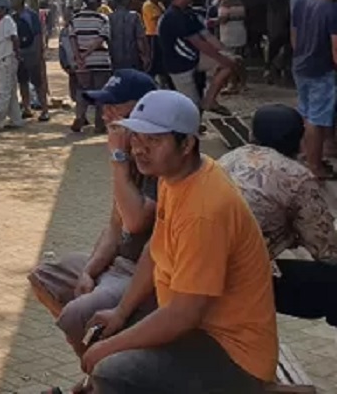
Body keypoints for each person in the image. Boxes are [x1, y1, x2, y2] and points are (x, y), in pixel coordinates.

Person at [83, 91, 278, 394]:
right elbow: (154, 251)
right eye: (136, 138)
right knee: (97, 329)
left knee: (111, 371)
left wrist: (107, 350)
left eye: (154, 140)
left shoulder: (204, 211)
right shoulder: (174, 176)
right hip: (194, 327)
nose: (139, 149)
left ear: (186, 144)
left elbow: (185, 314)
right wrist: (120, 313)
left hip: (234, 354)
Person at [29, 70, 160, 370]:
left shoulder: (152, 158)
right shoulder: (128, 154)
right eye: (105, 106)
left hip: (143, 273)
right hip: (118, 264)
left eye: (115, 107)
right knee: (45, 278)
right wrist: (89, 271)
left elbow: (136, 222)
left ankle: (99, 375)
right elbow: (115, 226)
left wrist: (118, 160)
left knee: (76, 315)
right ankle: (104, 360)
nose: (106, 114)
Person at [221, 104, 337, 327]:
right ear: (299, 141)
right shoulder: (297, 177)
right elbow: (326, 249)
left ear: (252, 135)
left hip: (198, 266)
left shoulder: (230, 158)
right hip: (236, 279)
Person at [158, 0, 237, 119]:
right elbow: (199, 43)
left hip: (193, 58)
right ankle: (189, 127)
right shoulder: (173, 16)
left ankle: (209, 101)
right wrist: (221, 58)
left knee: (230, 62)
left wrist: (225, 53)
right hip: (179, 66)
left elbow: (207, 36)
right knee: (191, 107)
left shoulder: (188, 14)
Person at [290, 0, 337, 180]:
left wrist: (300, 55)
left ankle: (307, 155)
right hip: (321, 70)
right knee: (317, 119)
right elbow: (336, 48)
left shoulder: (302, 2)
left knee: (307, 113)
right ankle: (315, 166)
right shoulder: (331, 10)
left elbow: (294, 35)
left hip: (301, 65)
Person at [71, 0, 111, 134]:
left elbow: (72, 39)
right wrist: (88, 52)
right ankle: (99, 124)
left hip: (83, 63)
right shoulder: (103, 19)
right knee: (100, 92)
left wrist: (79, 56)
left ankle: (80, 116)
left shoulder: (75, 18)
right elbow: (101, 39)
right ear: (97, 3)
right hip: (100, 61)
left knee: (83, 90)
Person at [0, 0, 23, 131]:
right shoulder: (2, 21)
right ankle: (16, 120)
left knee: (3, 92)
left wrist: (17, 54)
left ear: (4, 9)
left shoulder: (7, 20)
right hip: (5, 58)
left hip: (7, 59)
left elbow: (14, 38)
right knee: (11, 91)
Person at [13, 0, 46, 121]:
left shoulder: (31, 15)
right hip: (19, 53)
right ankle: (27, 108)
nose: (12, 2)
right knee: (22, 82)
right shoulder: (13, 17)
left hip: (31, 52)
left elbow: (38, 34)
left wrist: (38, 53)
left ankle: (44, 110)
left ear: (21, 0)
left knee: (38, 82)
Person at [214, 0, 249, 96]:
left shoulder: (225, 3)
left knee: (230, 59)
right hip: (240, 32)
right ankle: (242, 82)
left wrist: (211, 22)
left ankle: (232, 84)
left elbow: (223, 19)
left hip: (229, 34)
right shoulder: (238, 2)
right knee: (239, 59)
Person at [108, 0, 147, 73]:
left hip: (114, 57)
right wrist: (144, 55)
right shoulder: (134, 16)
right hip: (132, 56)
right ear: (127, 2)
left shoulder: (109, 17)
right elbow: (140, 39)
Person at [141, 0, 167, 85]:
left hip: (160, 35)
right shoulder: (148, 5)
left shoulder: (159, 4)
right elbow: (157, 17)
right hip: (152, 35)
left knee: (161, 59)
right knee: (153, 59)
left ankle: (162, 80)